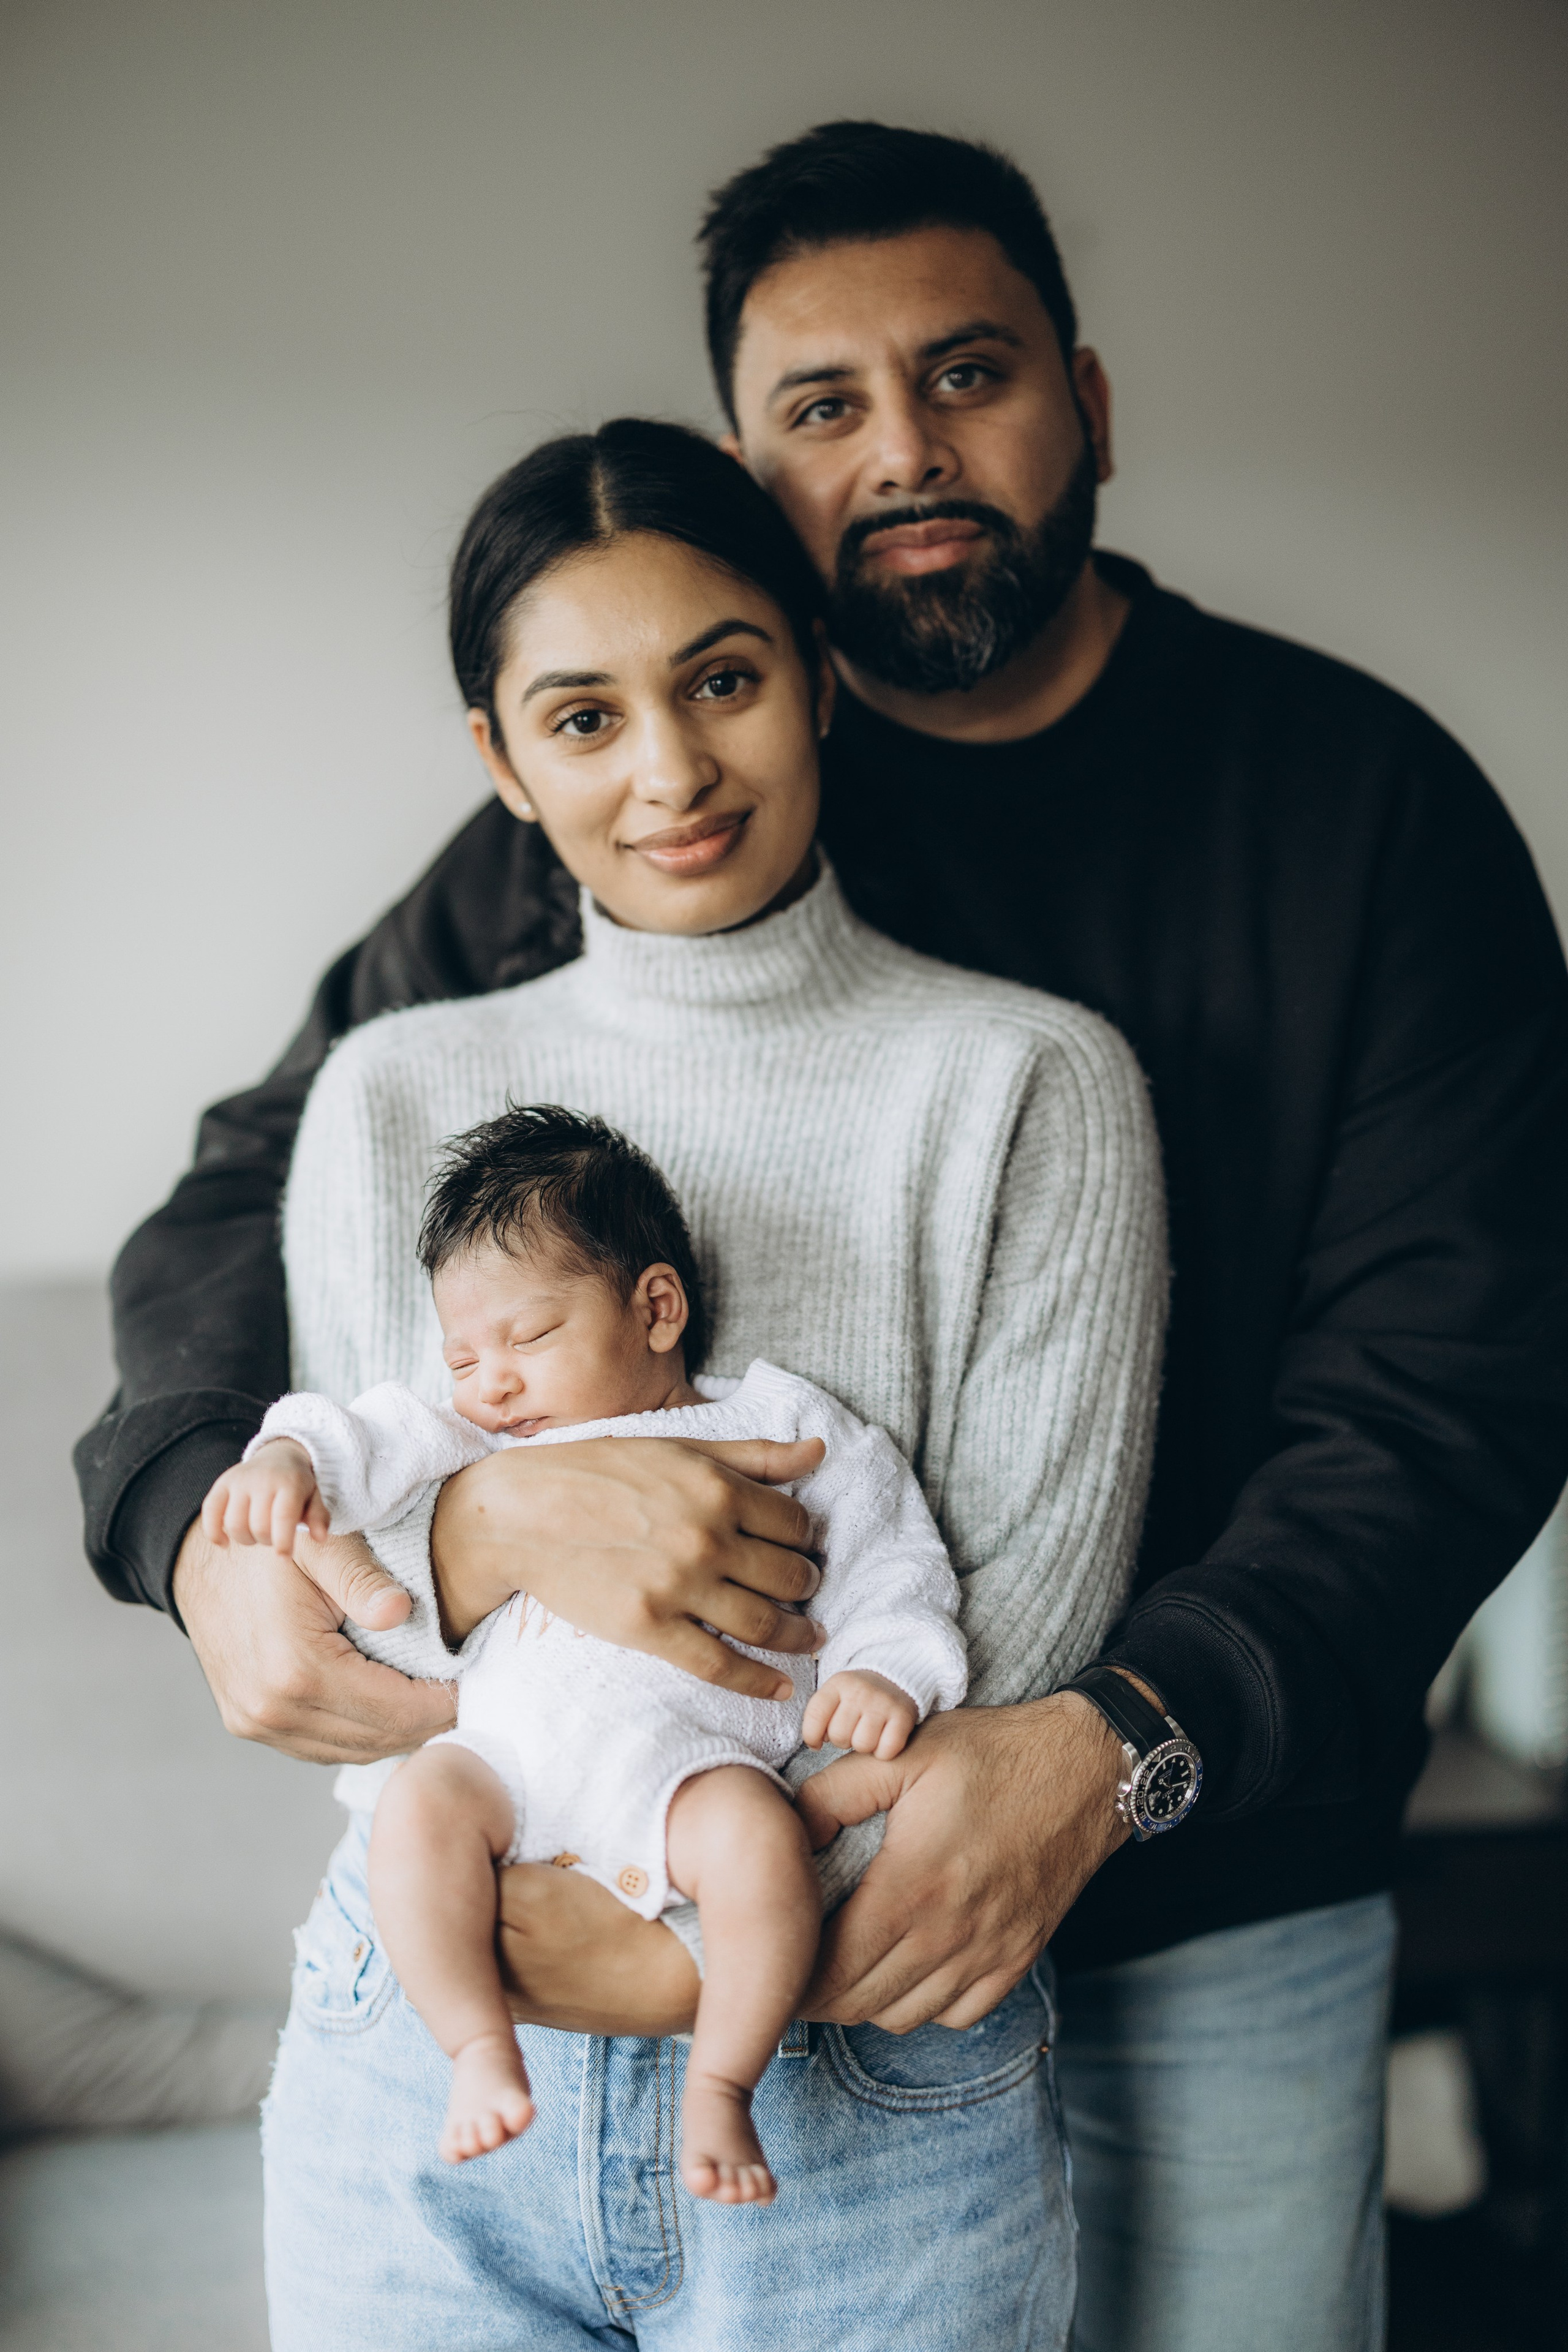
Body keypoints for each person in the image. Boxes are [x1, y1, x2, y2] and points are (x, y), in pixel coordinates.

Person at [75, 120, 1568, 2351]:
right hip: (697, 1880)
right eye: (822, 409)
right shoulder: (674, 793)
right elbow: (269, 1177)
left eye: (968, 374)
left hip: (1210, 1866)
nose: (907, 452)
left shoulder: (1361, 808)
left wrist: (1114, 1740)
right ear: (755, 487)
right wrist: (210, 1513)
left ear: (1089, 398)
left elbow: (1448, 1390)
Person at [239, 415, 1164, 2346]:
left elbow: (996, 1663)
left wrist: (683, 1952)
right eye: (580, 719)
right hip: (422, 2052)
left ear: (821, 675)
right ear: (498, 762)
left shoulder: (1021, 1084)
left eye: (723, 681)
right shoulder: (388, 1093)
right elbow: (376, 1583)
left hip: (858, 2067)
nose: (668, 773)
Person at [207, 1102, 967, 2199]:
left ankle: (722, 2085)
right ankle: (476, 2049)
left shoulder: (778, 1426)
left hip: (693, 1768)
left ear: (657, 1307)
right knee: (415, 1812)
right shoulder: (472, 1439)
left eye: (527, 1338)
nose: (491, 1383)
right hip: (509, 1761)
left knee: (763, 1853)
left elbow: (898, 1559)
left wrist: (886, 1669)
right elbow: (362, 1433)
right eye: (463, 1355)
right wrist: (287, 1458)